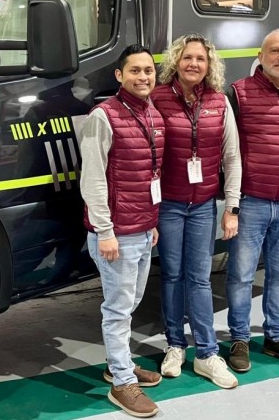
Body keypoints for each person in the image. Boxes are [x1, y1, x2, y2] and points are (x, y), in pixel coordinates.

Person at [149, 34, 241, 389]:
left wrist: (231, 206)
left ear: (209, 64)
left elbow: (232, 157)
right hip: (169, 205)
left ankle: (206, 353)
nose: (194, 64)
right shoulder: (157, 99)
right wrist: (149, 210)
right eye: (187, 58)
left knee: (200, 277)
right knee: (172, 275)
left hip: (203, 205)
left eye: (200, 59)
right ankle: (175, 345)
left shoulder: (219, 101)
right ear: (177, 61)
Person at [80, 44, 166, 417]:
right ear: (120, 75)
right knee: (118, 309)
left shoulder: (153, 114)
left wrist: (152, 222)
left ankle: (120, 364)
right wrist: (104, 231)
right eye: (135, 71)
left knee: (128, 304)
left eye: (148, 70)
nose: (143, 77)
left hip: (143, 228)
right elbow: (93, 179)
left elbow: (151, 175)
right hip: (116, 232)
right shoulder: (104, 116)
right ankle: (122, 382)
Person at [225, 29, 279, 372]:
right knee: (241, 275)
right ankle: (239, 339)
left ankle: (276, 337)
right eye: (274, 51)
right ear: (260, 57)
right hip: (251, 202)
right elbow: (225, 149)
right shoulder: (239, 94)